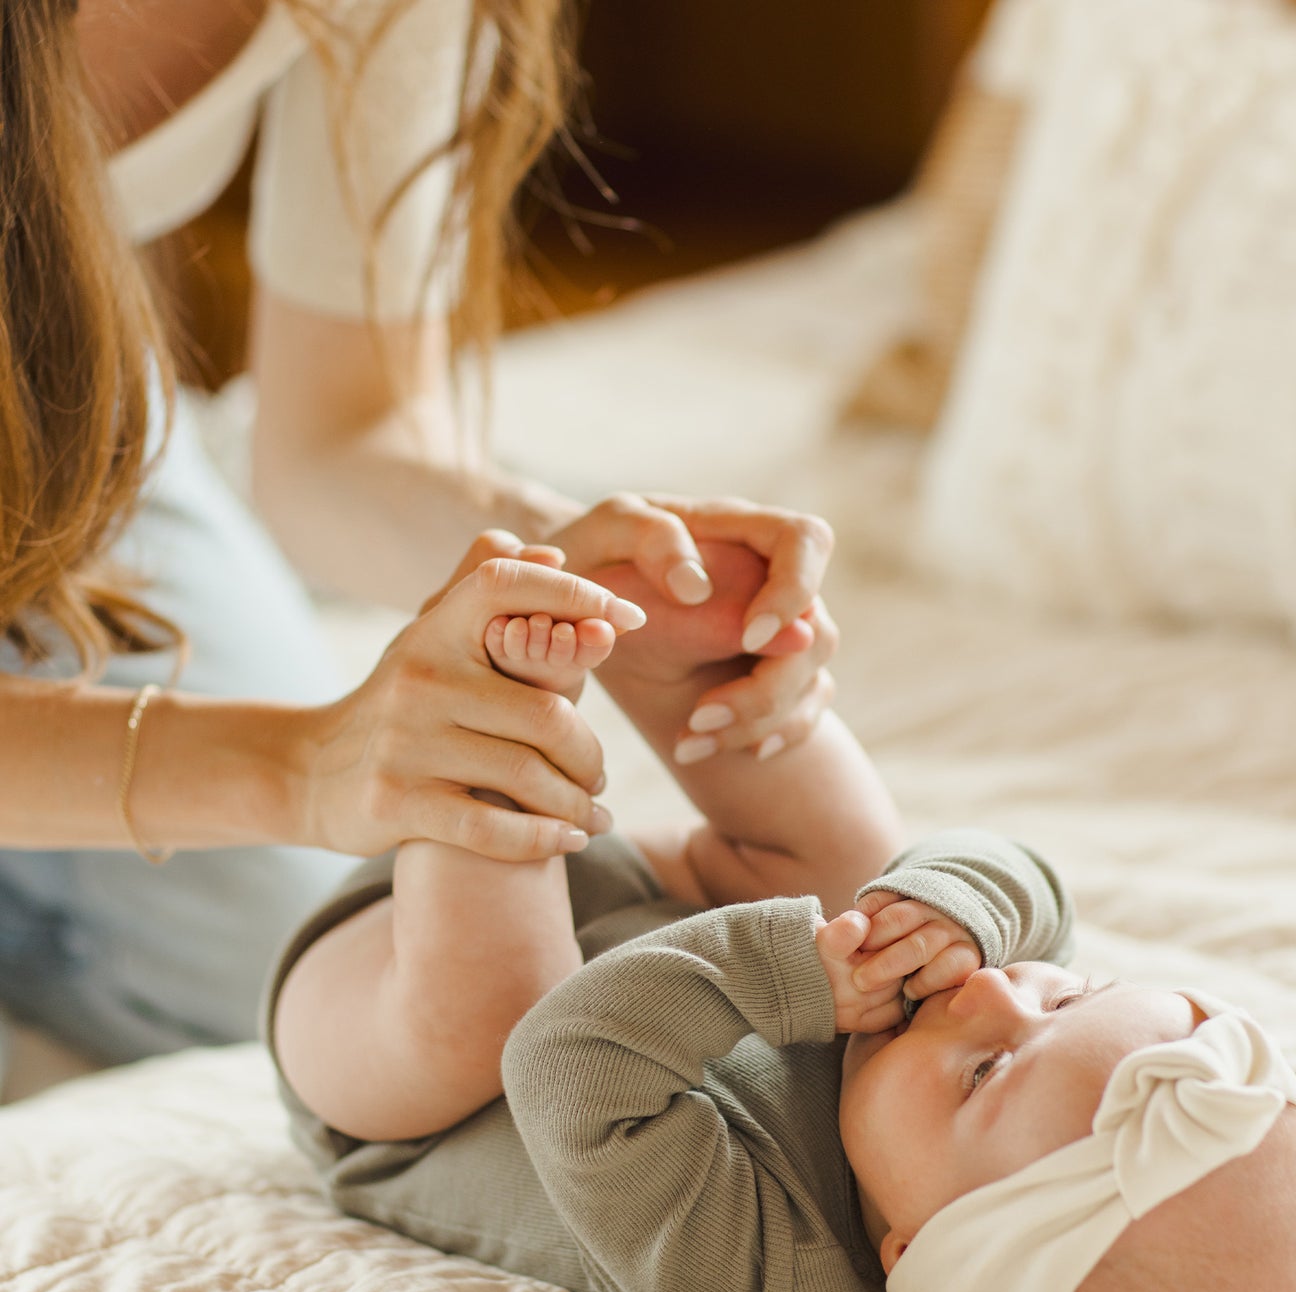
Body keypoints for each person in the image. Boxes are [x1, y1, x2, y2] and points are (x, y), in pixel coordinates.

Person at [268, 542, 1296, 1292]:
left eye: (981, 1072)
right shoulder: (977, 1066)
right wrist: (952, 910)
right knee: (865, 869)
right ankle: (695, 668)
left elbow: (563, 1059)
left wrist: (790, 976)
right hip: (647, 909)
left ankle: (490, 727)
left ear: (909, 1248)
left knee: (491, 1018)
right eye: (1065, 998)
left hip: (398, 1068)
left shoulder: (752, 1265)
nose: (989, 995)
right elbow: (1035, 890)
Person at [0, 0, 834, 1066]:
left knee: (289, 949)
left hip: (54, 417)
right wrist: (294, 769)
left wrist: (574, 554)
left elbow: (344, 433)